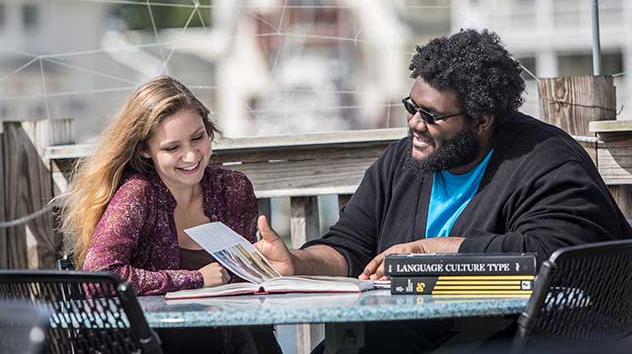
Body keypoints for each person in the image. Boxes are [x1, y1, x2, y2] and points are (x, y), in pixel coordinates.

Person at [255, 29, 632, 352]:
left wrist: (429, 250)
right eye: (411, 107)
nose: (414, 124)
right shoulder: (403, 160)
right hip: (430, 331)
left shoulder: (545, 160)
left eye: (431, 115)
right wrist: (297, 263)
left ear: (481, 120)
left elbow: (558, 254)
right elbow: (351, 246)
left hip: (537, 335)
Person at [61, 76, 279, 354]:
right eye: (172, 148)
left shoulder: (234, 189)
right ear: (144, 149)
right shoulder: (138, 195)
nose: (191, 156)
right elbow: (99, 279)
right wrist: (194, 279)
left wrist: (267, 269)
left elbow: (242, 284)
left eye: (198, 138)